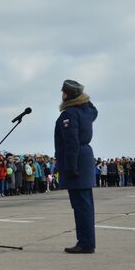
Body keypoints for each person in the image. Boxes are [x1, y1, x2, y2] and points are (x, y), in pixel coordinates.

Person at [55, 79, 98, 254]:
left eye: (64, 92)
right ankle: (87, 241)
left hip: (76, 161)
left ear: (68, 95)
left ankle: (85, 243)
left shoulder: (70, 114)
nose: (62, 95)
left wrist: (70, 166)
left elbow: (71, 141)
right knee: (85, 205)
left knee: (81, 206)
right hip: (85, 157)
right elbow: (92, 109)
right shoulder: (86, 111)